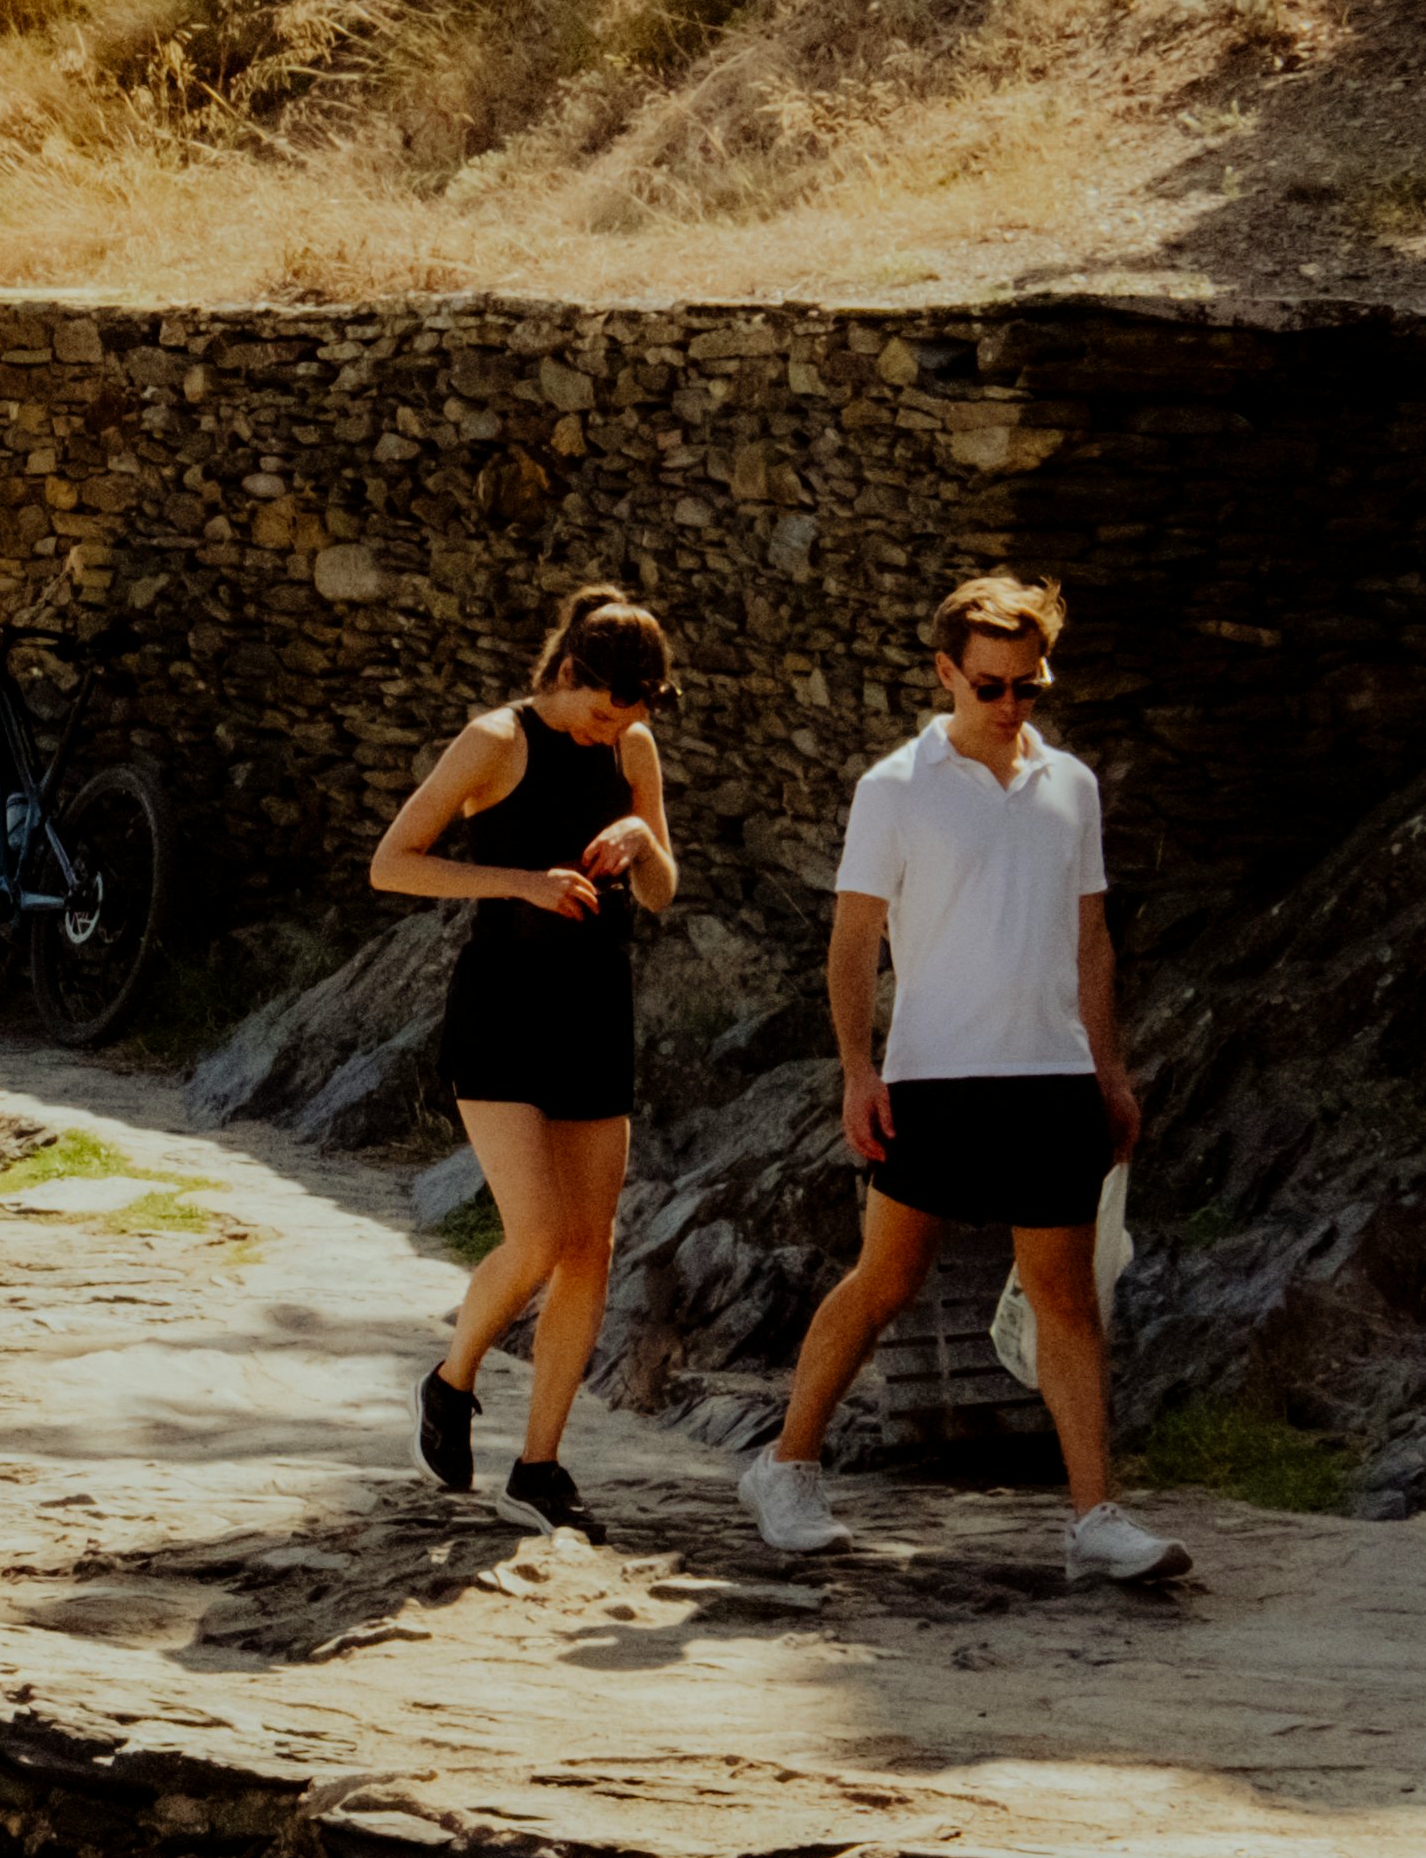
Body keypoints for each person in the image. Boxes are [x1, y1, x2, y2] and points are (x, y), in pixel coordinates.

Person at [752, 571, 1170, 1582]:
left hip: (1051, 1076)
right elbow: (851, 944)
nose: (1012, 704)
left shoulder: (1068, 784)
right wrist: (856, 1073)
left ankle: (1095, 1518)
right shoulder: (893, 787)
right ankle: (786, 1464)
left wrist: (1107, 1071)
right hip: (933, 1076)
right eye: (990, 684)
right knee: (886, 1280)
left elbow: (1092, 938)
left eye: (1029, 684)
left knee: (1064, 1297)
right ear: (946, 671)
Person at [363, 588, 684, 1530]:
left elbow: (662, 891)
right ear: (570, 675)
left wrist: (643, 838)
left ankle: (540, 1464)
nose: (611, 732)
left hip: (595, 1004)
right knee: (539, 1235)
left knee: (593, 1246)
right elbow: (393, 862)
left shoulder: (632, 747)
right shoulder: (495, 740)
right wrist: (518, 884)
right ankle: (451, 1379)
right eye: (602, 710)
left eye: (631, 717)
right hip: (501, 1005)